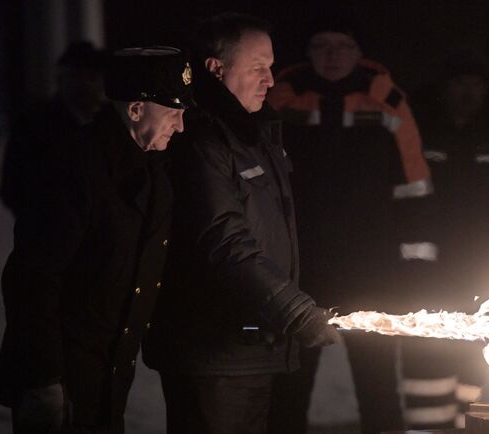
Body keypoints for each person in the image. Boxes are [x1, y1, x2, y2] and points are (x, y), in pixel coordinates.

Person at [141, 13, 340, 434]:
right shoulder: (201, 140)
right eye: (257, 68)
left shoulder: (253, 137)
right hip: (212, 351)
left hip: (249, 346)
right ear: (216, 68)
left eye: (271, 67)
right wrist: (293, 309)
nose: (270, 79)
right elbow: (224, 239)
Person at [0, 47, 190, 434]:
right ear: (135, 110)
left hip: (107, 371)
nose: (181, 126)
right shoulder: (76, 167)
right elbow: (32, 278)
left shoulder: (151, 172)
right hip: (62, 377)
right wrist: (44, 379)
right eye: (173, 113)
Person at [267, 19, 432, 434]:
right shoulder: (282, 99)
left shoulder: (386, 100)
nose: (333, 55)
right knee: (290, 384)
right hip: (301, 268)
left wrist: (414, 265)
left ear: (360, 53)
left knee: (377, 384)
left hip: (372, 269)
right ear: (308, 52)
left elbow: (414, 184)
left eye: (343, 45)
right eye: (322, 45)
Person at [398, 54, 489, 429]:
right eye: (458, 82)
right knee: (427, 353)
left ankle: (463, 425)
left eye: (475, 83)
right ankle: (428, 427)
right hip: (423, 268)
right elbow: (391, 191)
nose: (467, 91)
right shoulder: (418, 129)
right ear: (444, 88)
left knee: (472, 357)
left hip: (481, 268)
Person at [0, 41, 107, 218]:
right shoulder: (35, 126)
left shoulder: (103, 123)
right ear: (68, 79)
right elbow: (13, 188)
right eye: (90, 77)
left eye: (97, 77)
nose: (97, 86)